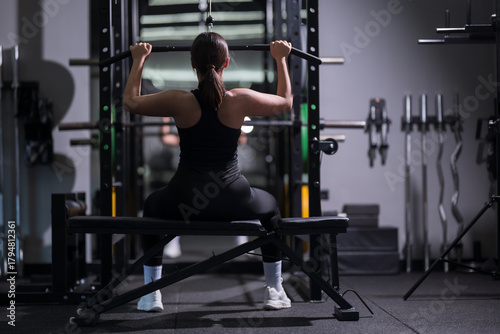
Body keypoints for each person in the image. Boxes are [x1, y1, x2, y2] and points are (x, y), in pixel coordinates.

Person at [123, 32, 293, 312]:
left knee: (152, 206)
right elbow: (285, 102)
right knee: (271, 207)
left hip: (184, 198)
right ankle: (274, 291)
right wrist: (281, 59)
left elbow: (130, 102)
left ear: (192, 63)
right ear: (226, 63)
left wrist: (139, 59)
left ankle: (151, 295)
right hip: (234, 198)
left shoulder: (180, 101)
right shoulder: (239, 99)